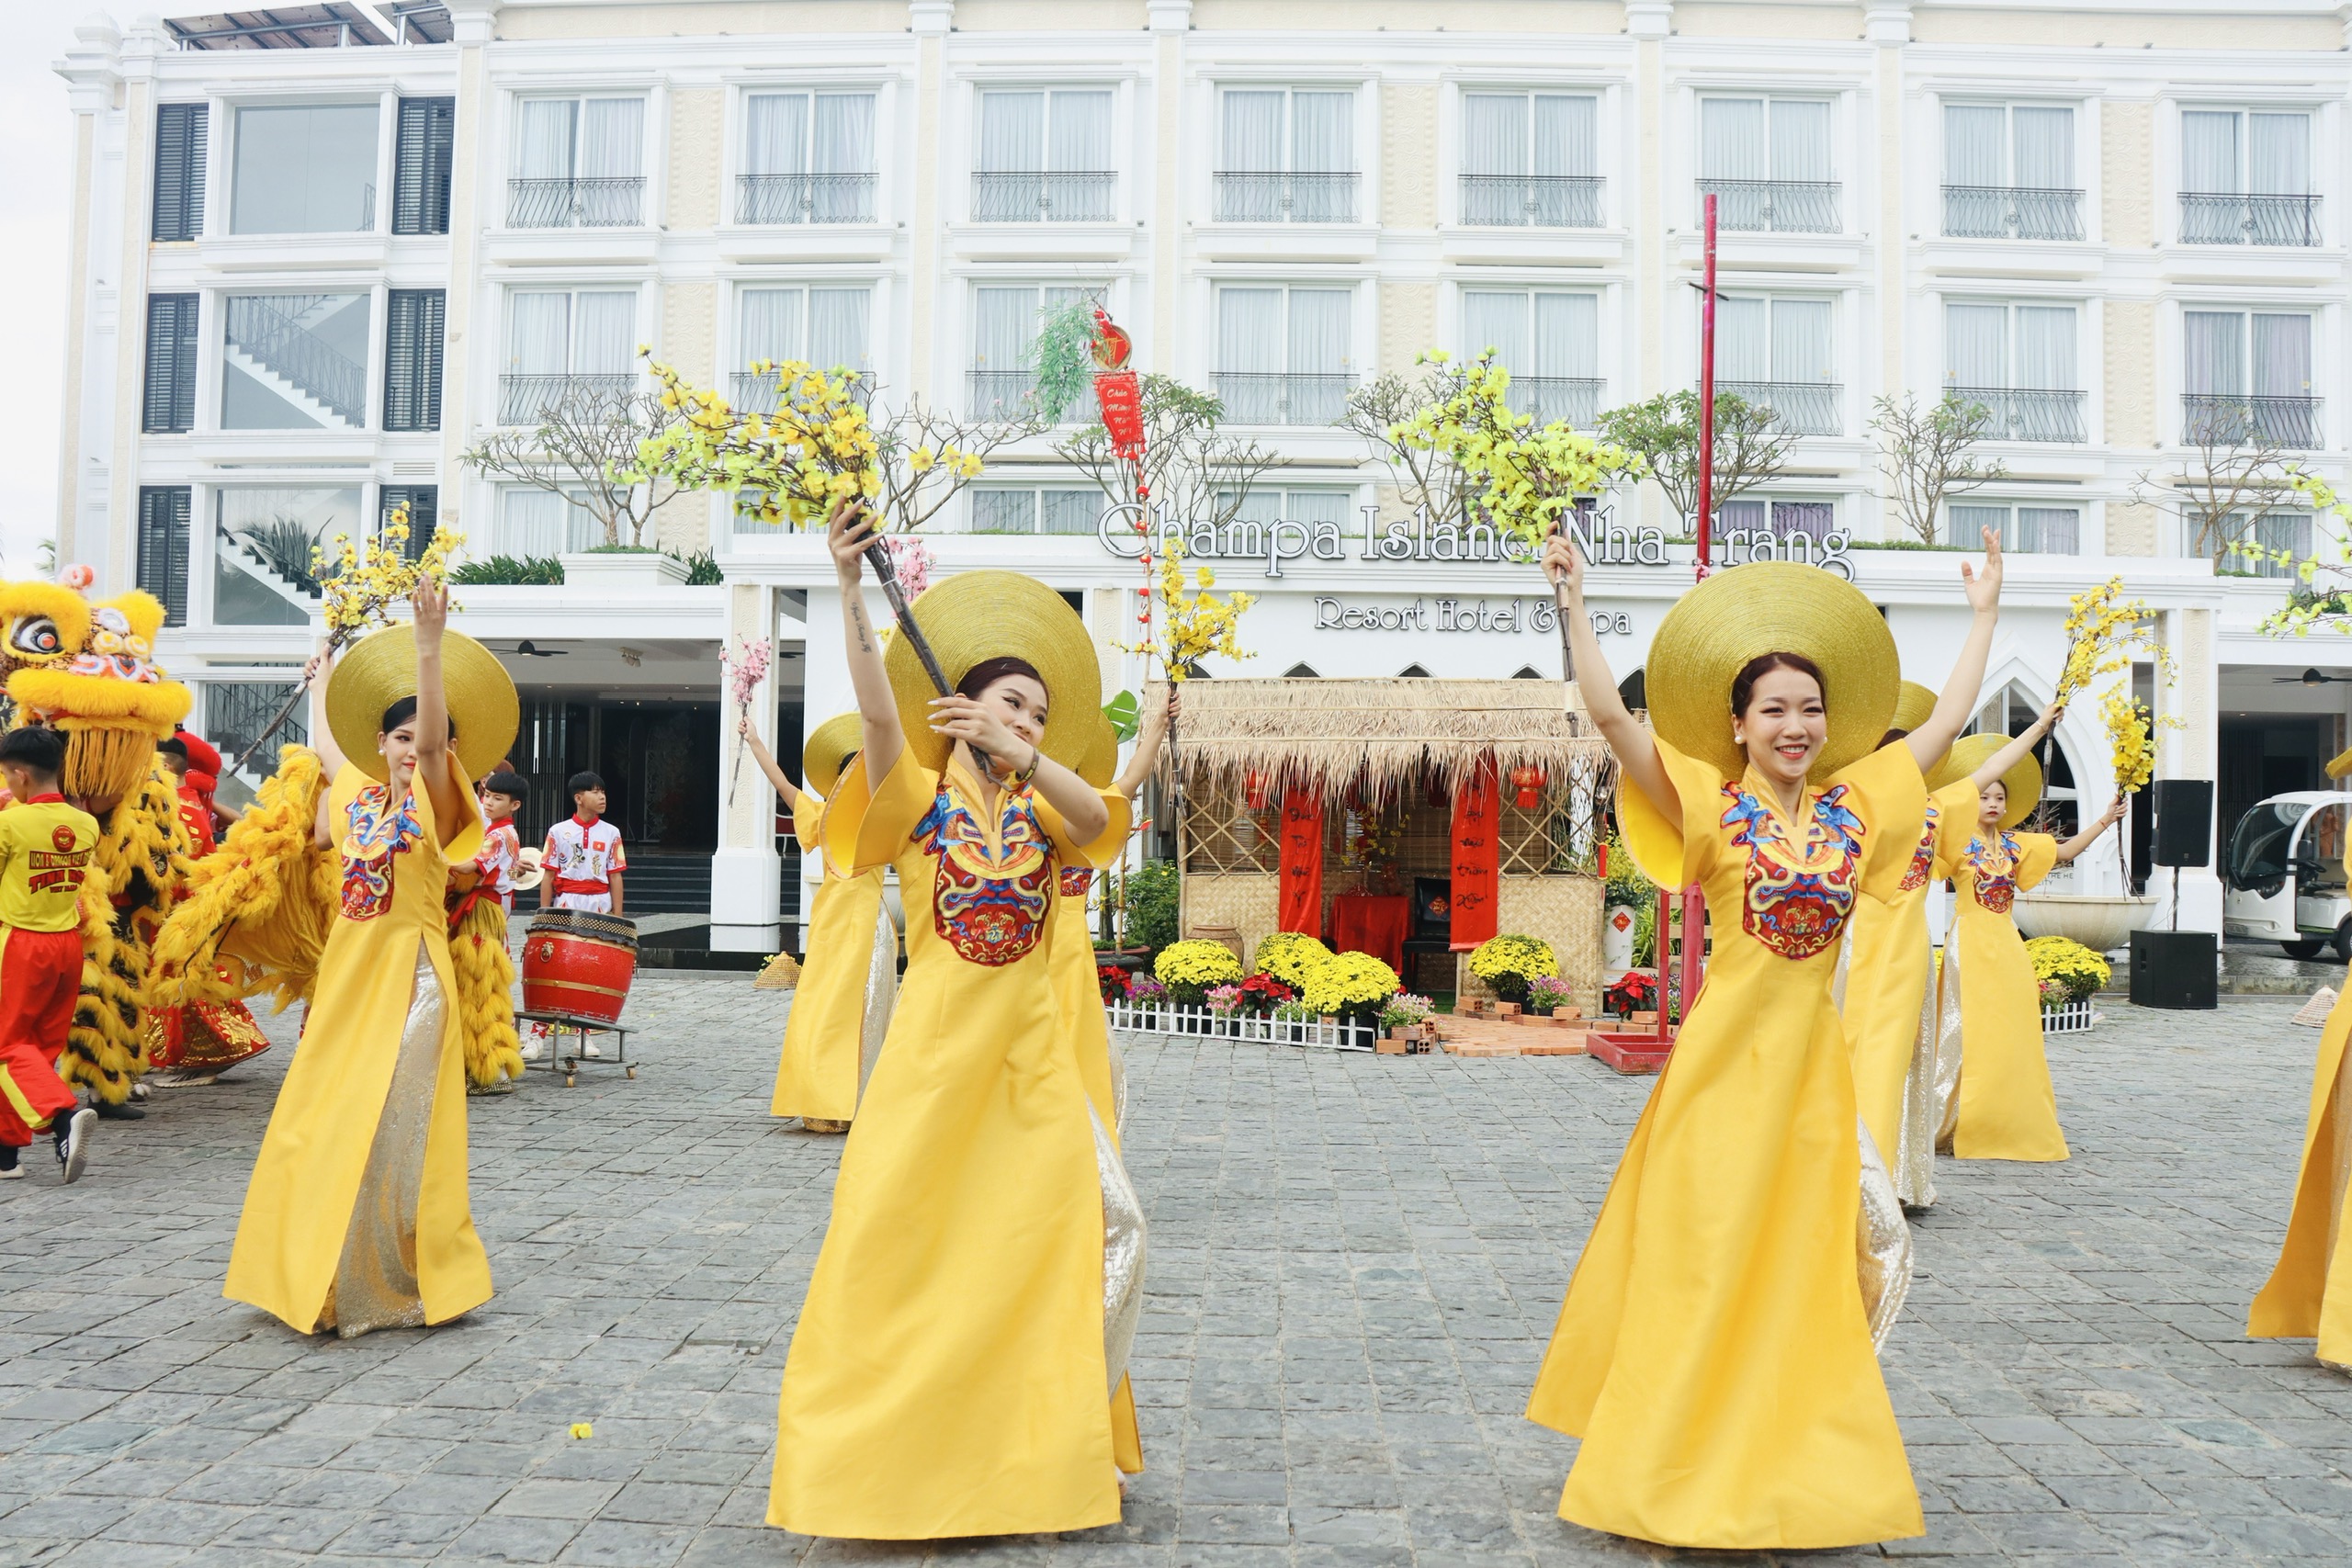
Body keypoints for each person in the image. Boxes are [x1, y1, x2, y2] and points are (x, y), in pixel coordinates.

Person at [1521, 528, 2013, 1551]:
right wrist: (1575, 608)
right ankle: (1662, 1472)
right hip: (1716, 1084)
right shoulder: (1709, 805)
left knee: (1798, 1280)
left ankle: (1794, 1466)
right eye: (1774, 710)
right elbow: (1613, 717)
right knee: (1701, 1272)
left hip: (1810, 1094)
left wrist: (1982, 617)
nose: (1795, 725)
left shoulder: (1854, 805)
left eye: (1810, 708)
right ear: (1737, 725)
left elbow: (1948, 728)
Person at [768, 501, 1143, 1540]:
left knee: (1101, 1239)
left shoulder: (1045, 816)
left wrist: (1025, 755)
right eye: (1008, 705)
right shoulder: (917, 801)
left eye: (1036, 714)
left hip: (1029, 1077)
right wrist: (846, 590)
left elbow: (1102, 817)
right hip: (931, 1072)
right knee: (904, 1262)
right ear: (959, 708)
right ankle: (889, 1469)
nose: (1022, 724)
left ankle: (1044, 1446)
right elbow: (878, 714)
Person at [223, 581, 518, 1337]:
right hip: (346, 982)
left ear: (446, 749)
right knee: (313, 1119)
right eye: (397, 737)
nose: (412, 747)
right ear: (378, 745)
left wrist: (427, 648)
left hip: (413, 981)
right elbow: (330, 750)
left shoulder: (443, 800)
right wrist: (324, 675)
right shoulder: (356, 798)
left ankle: (383, 1277)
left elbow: (428, 745)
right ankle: (306, 1269)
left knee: (388, 1126)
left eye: (428, 739)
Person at [1842, 694, 2061, 1207]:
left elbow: (1992, 767)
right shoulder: (1848, 806)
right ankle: (1841, 1170)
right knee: (1849, 1054)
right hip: (1855, 947)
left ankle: (1891, 1177)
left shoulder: (1938, 811)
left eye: (1913, 757)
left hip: (1906, 953)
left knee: (1898, 1061)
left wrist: (2039, 729)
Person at [1935, 739, 2126, 1163]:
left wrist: (2104, 821)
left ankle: (2013, 1120)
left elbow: (2064, 852)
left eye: (1998, 797)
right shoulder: (1953, 843)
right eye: (1984, 795)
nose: (1991, 802)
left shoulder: (2017, 845)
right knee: (1970, 1034)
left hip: (2006, 944)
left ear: (2006, 806)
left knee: (2014, 1035)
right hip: (1967, 944)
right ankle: (1961, 1121)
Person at [743, 712, 893, 1132]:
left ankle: (861, 1104)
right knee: (822, 1009)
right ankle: (824, 1101)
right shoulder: (823, 813)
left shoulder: (885, 815)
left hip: (869, 925)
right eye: (849, 775)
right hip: (831, 924)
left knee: (864, 1010)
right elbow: (783, 786)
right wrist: (755, 742)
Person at [0, 726, 99, 1185]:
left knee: (5, 1048)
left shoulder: (10, 822)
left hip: (19, 942)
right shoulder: (86, 823)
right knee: (35, 1050)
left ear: (19, 775)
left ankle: (62, 1117)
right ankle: (6, 1156)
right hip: (66, 944)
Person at [542, 773, 625, 915]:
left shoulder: (612, 832)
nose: (602, 797)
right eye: (595, 792)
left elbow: (615, 876)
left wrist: (618, 914)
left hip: (600, 902)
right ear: (578, 799)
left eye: (603, 792)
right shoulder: (557, 831)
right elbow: (549, 875)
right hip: (567, 901)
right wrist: (543, 912)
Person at [472, 772, 529, 915]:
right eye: (487, 795)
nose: (488, 802)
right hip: (500, 900)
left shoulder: (498, 835)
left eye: (497, 798)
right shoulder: (509, 831)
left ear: (515, 805)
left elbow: (469, 868)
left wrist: (438, 855)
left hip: (488, 903)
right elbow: (508, 871)